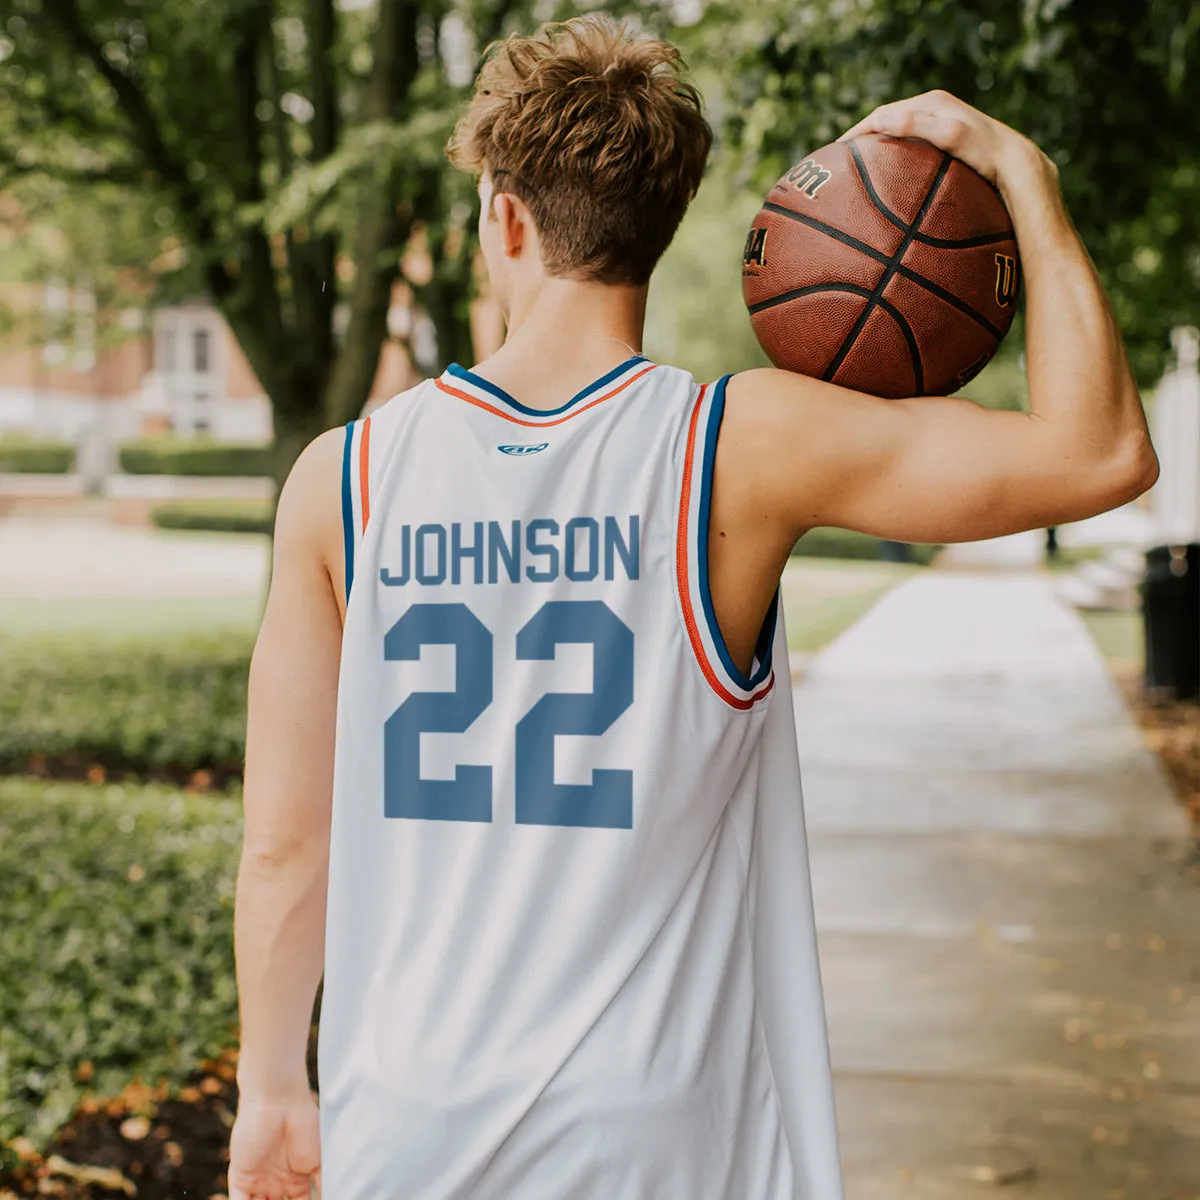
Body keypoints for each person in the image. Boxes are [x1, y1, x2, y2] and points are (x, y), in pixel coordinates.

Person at [226, 15, 1157, 1200]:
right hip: (652, 1133)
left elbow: (285, 844)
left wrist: (270, 1085)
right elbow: (1102, 452)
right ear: (657, 232)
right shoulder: (738, 446)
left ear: (503, 218)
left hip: (409, 1118)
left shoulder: (342, 481)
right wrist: (1026, 174)